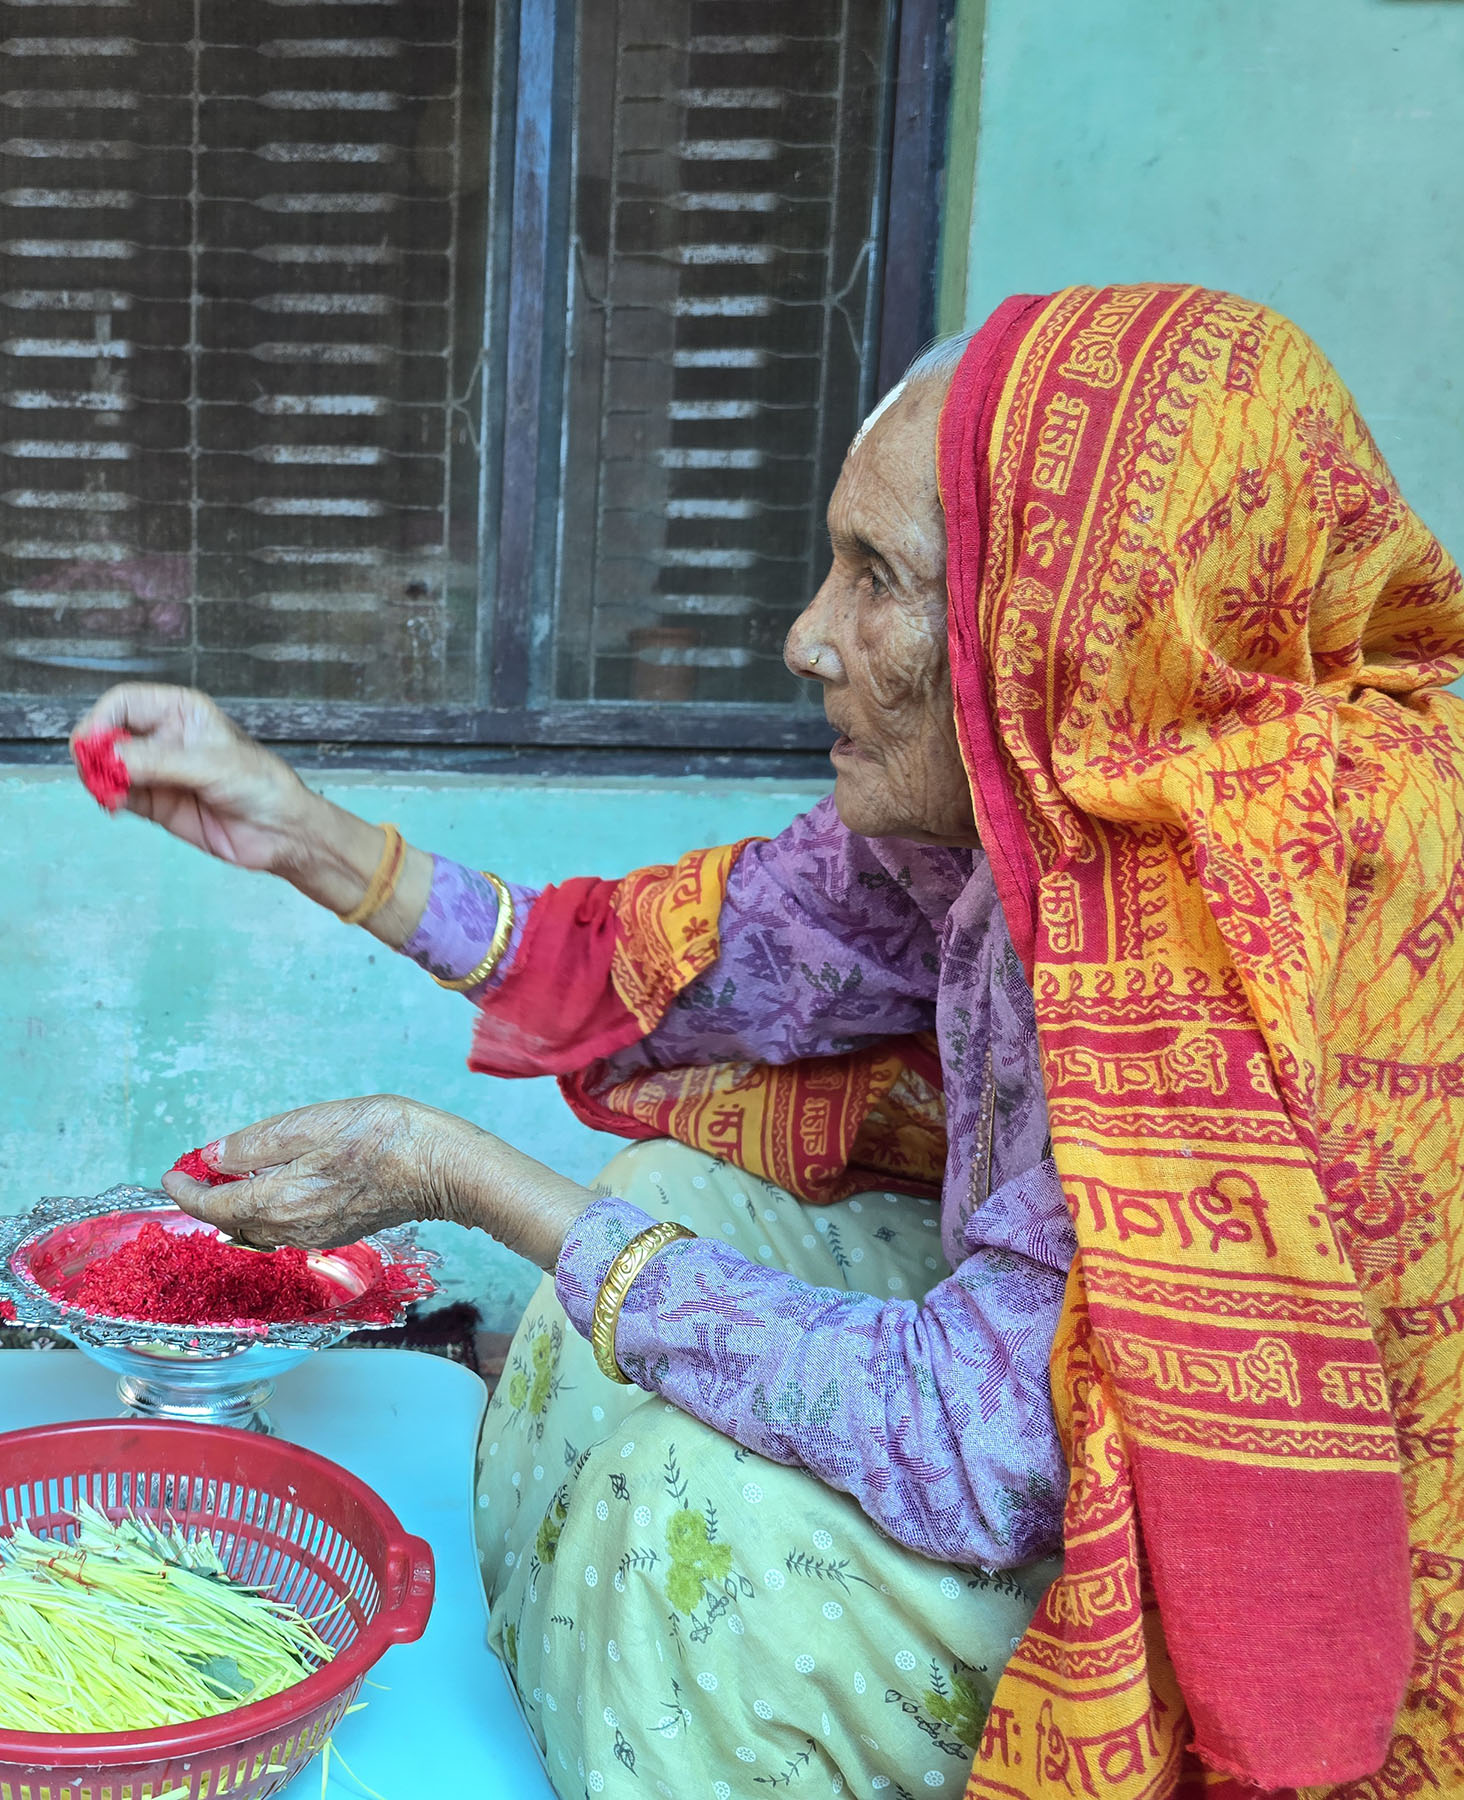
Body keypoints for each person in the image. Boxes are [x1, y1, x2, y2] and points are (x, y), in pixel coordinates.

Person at [79, 285, 1464, 1800]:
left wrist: (471, 1180)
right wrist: (296, 829)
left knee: (686, 1504)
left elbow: (987, 1444)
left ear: (1076, 615)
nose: (809, 636)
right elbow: (676, 966)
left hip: (1209, 1557)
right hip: (1040, 1396)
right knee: (672, 1221)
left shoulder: (1220, 917)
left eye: (878, 577)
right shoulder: (1039, 790)